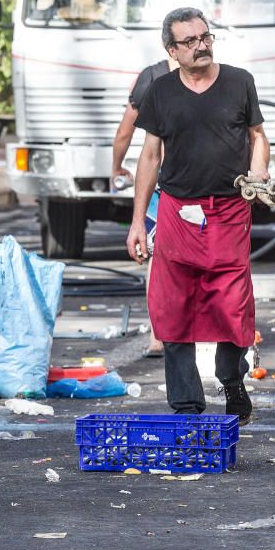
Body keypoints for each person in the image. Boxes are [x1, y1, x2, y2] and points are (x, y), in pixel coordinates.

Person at [126, 7, 270, 424]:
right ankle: (187, 408)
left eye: (205, 37)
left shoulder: (240, 81)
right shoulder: (160, 91)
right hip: (176, 211)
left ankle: (231, 378)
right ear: (171, 49)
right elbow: (150, 154)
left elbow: (257, 136)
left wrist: (259, 170)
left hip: (228, 210)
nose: (201, 46)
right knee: (172, 307)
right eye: (189, 41)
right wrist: (139, 220)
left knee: (233, 307)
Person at [112, 57, 178, 357]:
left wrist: (117, 167)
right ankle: (197, 330)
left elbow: (125, 132)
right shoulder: (206, 75)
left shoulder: (149, 78)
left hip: (160, 183)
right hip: (195, 182)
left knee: (156, 258)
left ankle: (157, 334)